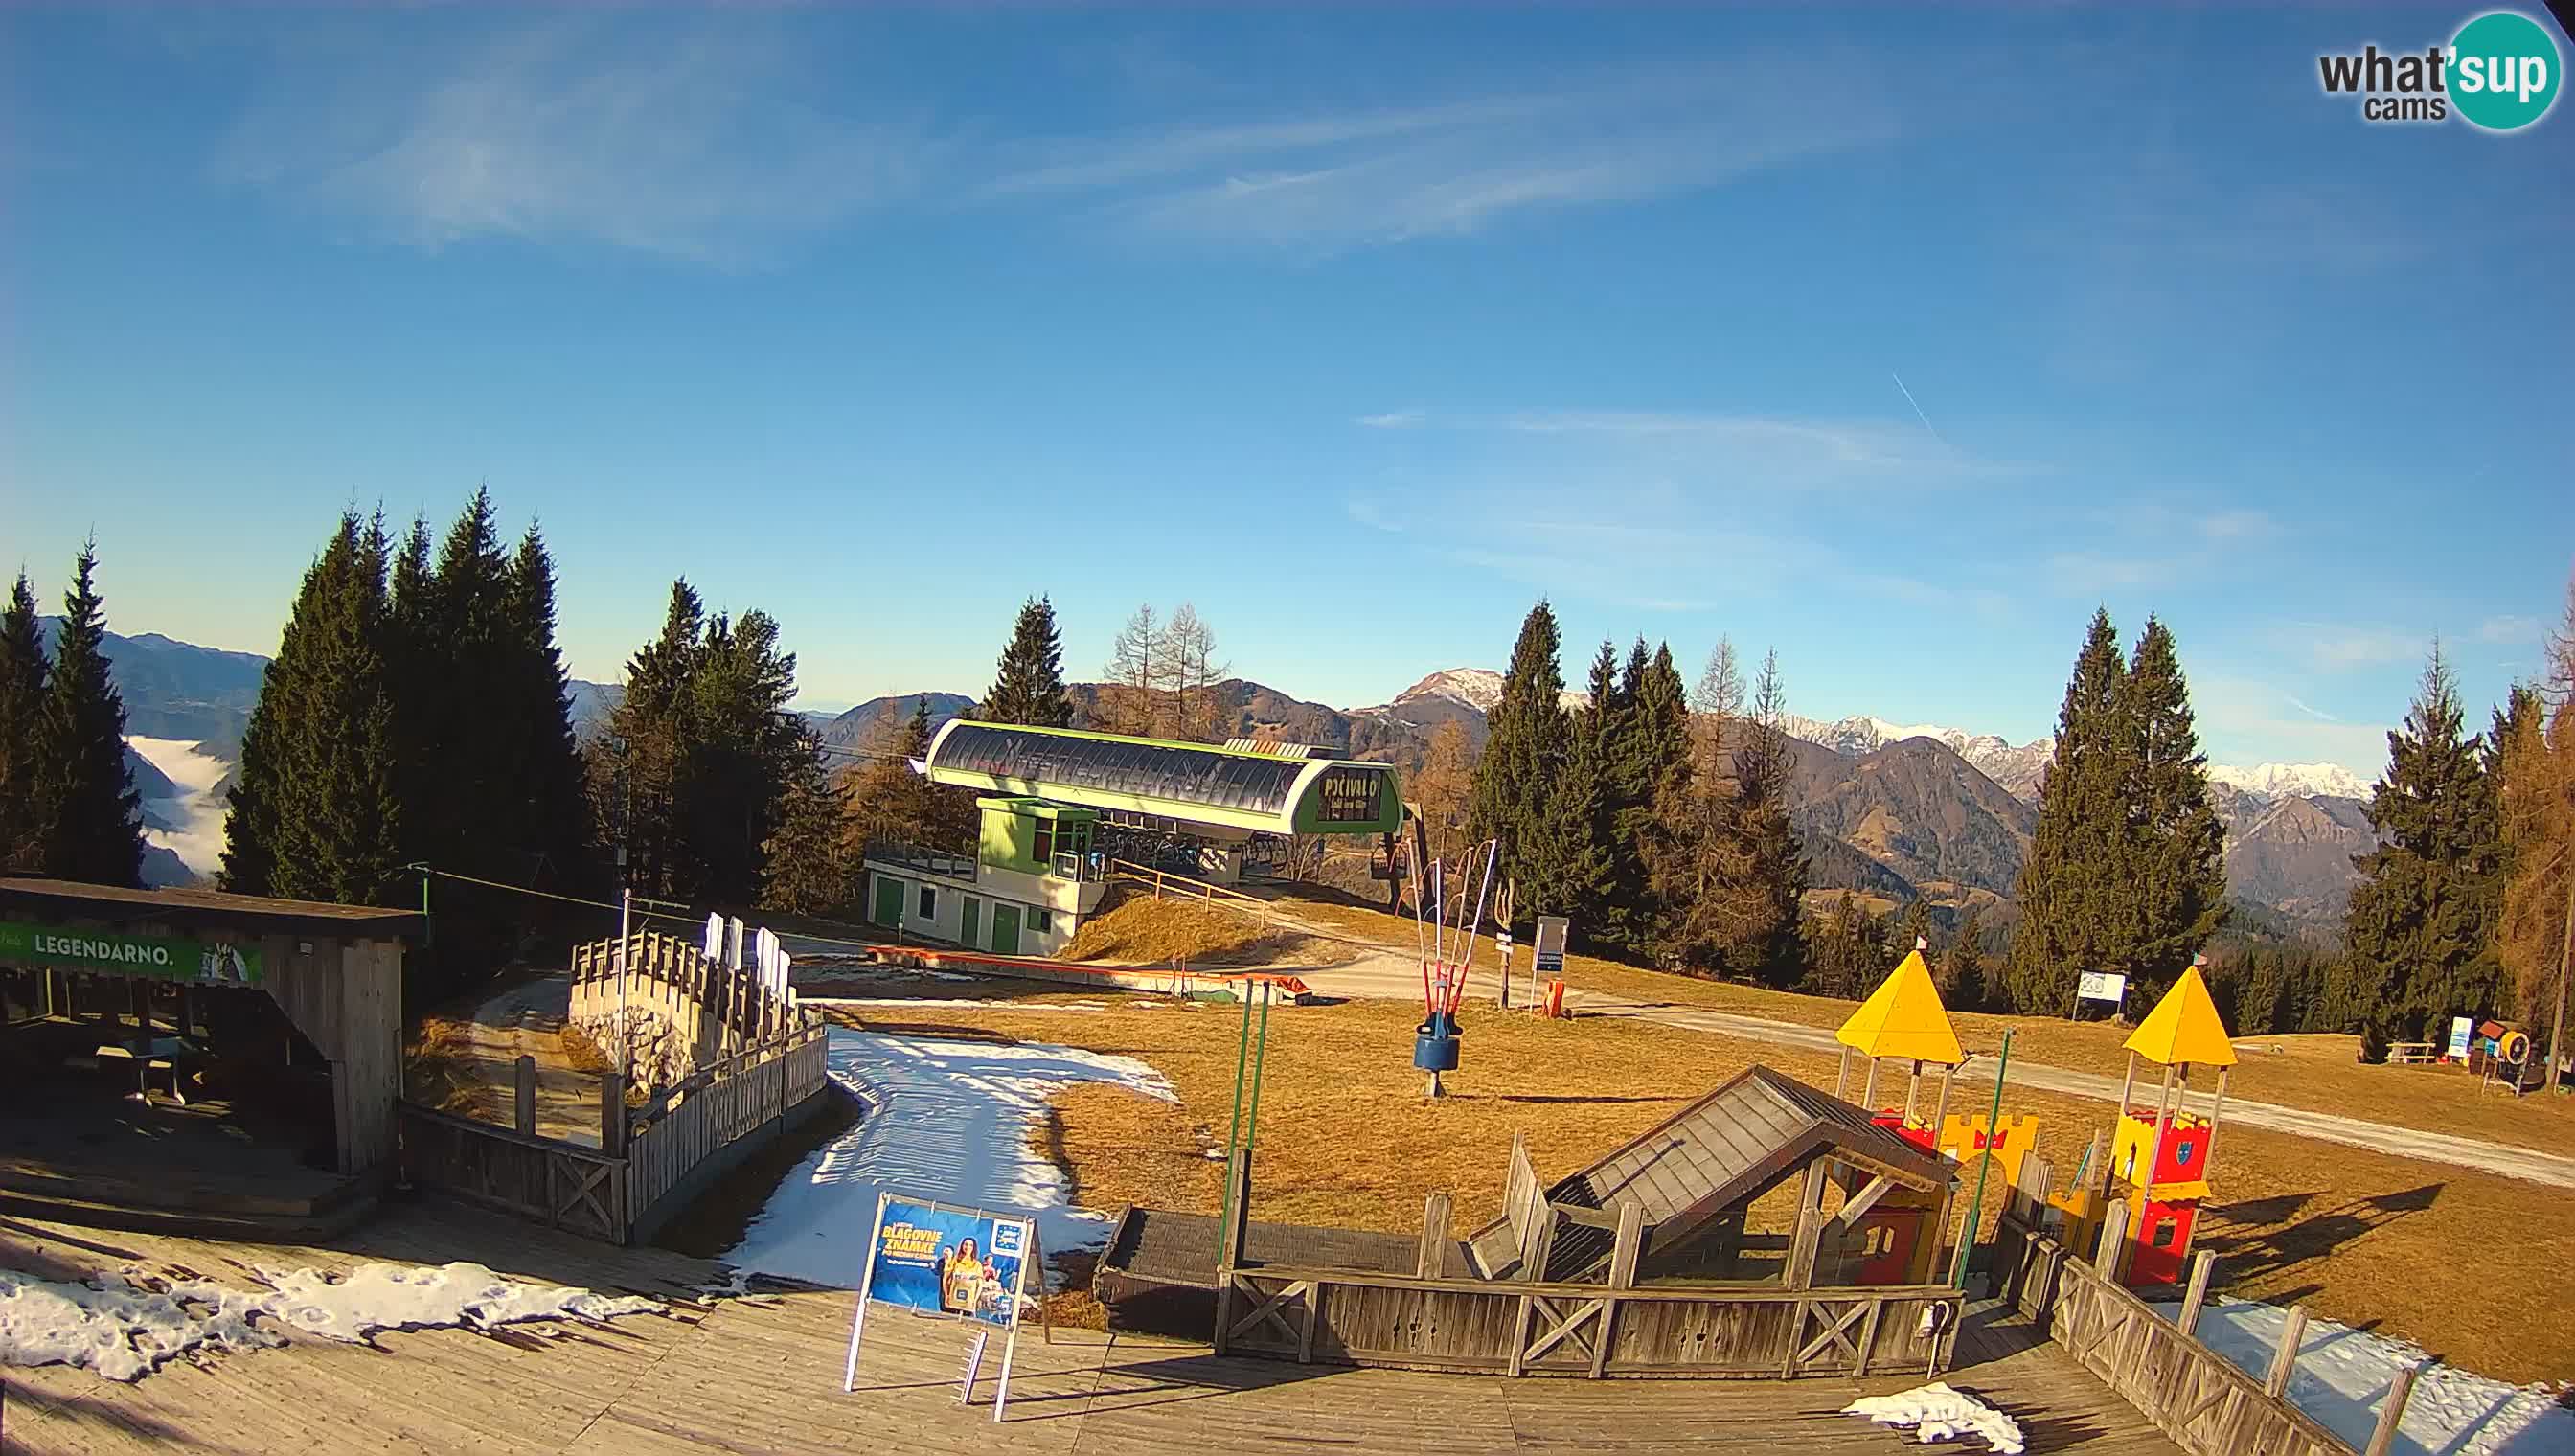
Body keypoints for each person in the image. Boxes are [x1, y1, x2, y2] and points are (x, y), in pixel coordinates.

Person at [940, 1237, 981, 1314]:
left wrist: (975, 1301)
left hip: (968, 1303)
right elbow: (945, 1279)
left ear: (974, 1248)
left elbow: (980, 1285)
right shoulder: (954, 1261)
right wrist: (946, 1295)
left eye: (971, 1245)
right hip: (953, 1302)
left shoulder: (977, 1264)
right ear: (962, 1246)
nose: (968, 1247)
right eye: (966, 1244)